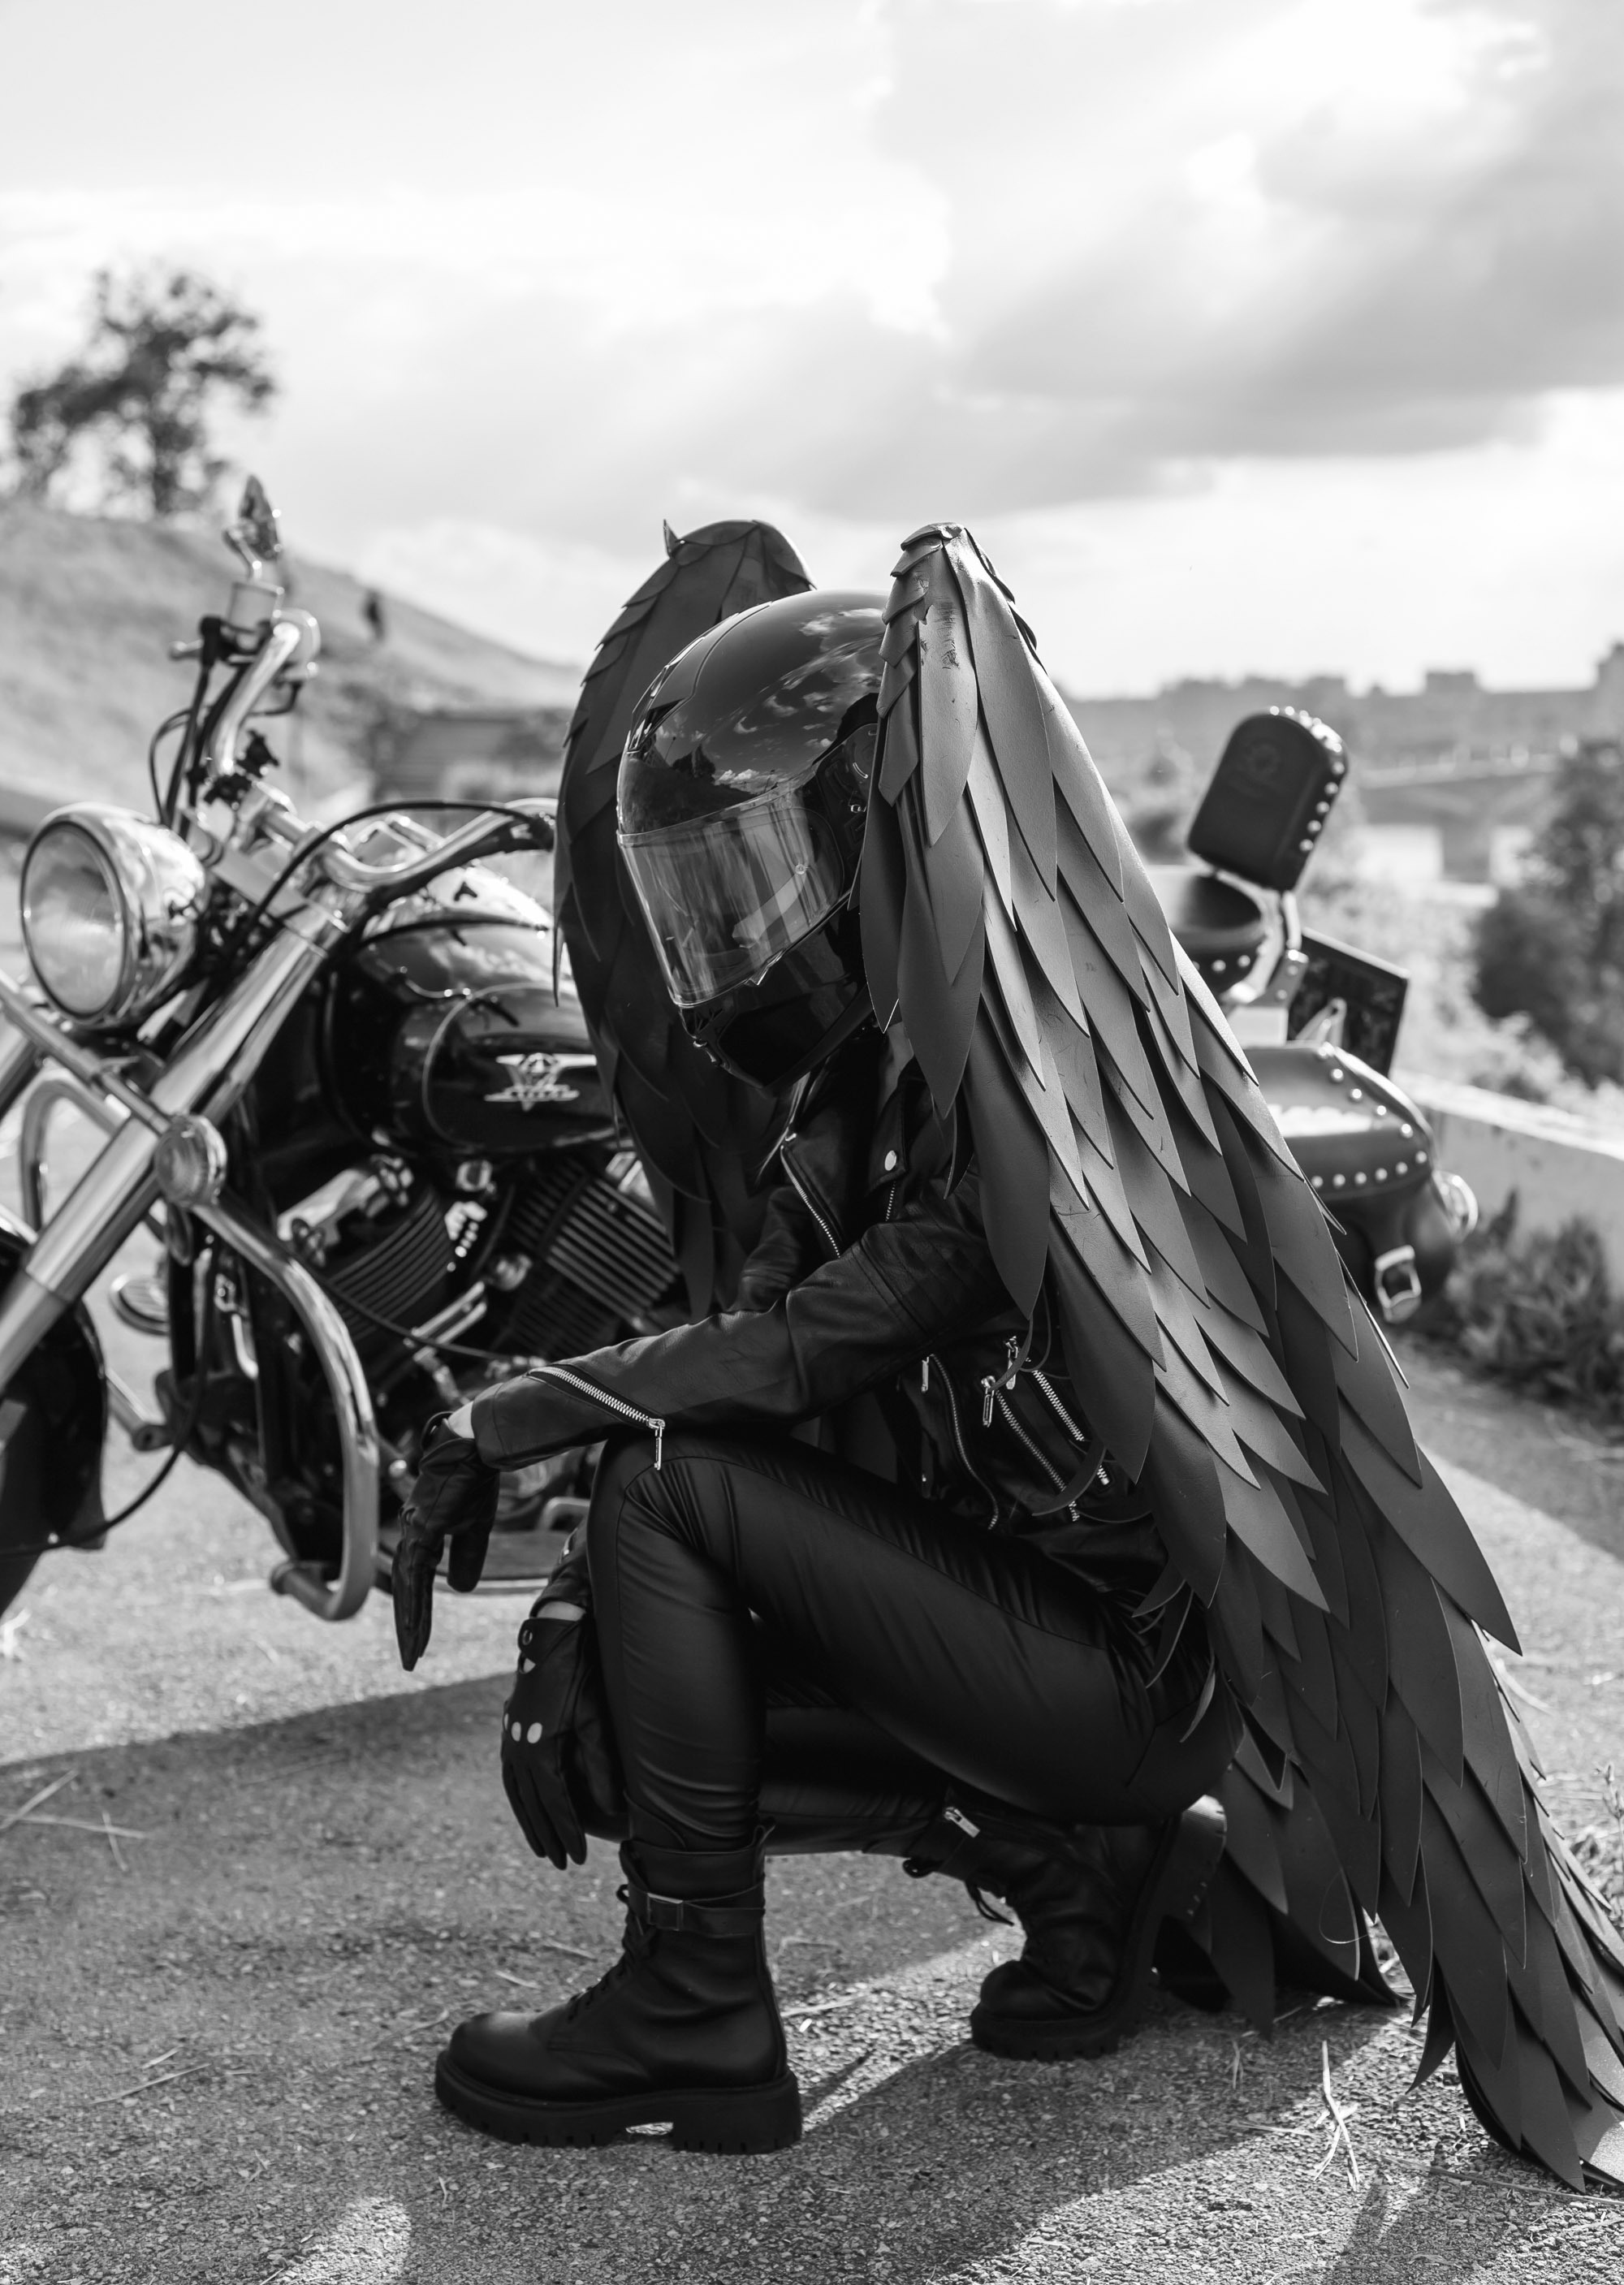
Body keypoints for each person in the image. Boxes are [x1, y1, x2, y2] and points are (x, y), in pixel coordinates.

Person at [392, 531, 1624, 2186]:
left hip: (1118, 1680)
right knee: (610, 1681)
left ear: (863, 844)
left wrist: (517, 1411)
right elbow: (726, 1345)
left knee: (666, 1492)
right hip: (1016, 1639)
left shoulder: (1007, 1113)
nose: (731, 935)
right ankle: (1085, 1878)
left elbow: (808, 1343)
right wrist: (562, 1608)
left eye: (755, 879)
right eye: (707, 893)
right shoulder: (838, 1103)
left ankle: (696, 2007)